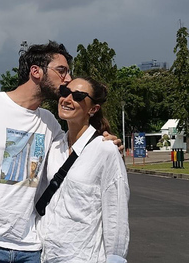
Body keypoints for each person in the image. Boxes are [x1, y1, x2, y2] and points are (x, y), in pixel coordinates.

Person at [0, 41, 121, 263]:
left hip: (29, 247)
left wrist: (105, 140)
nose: (67, 79)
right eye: (61, 71)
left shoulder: (49, 123)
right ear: (35, 71)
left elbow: (74, 149)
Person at [38, 78, 129, 262]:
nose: (67, 99)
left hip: (82, 256)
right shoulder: (54, 147)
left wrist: (115, 258)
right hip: (44, 255)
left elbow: (116, 212)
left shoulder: (105, 149)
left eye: (78, 96)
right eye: (64, 92)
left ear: (93, 109)